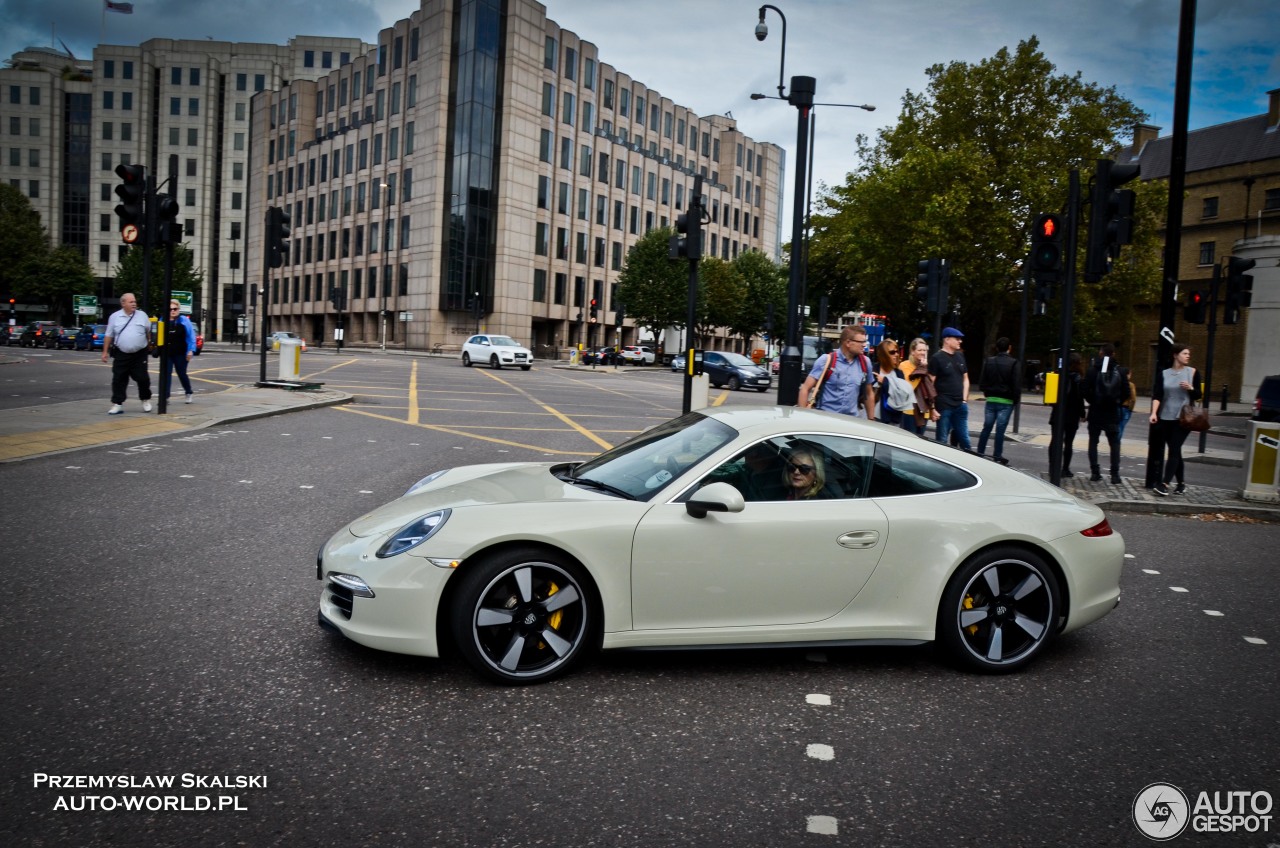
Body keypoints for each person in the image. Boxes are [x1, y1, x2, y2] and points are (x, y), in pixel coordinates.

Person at [1149, 343, 1202, 496]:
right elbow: (1158, 395)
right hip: (1166, 416)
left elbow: (1198, 395)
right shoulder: (1164, 374)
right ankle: (1181, 483)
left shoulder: (1192, 373)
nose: (1188, 356)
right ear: (1175, 355)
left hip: (1184, 417)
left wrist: (1190, 388)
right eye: (1185, 353)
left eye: (1188, 354)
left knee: (1173, 448)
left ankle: (1164, 484)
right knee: (1175, 451)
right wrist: (1154, 413)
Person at [797, 326, 876, 419]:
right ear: (848, 343)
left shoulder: (865, 363)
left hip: (852, 421)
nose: (864, 345)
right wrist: (802, 417)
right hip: (826, 418)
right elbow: (805, 388)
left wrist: (871, 420)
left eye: (865, 342)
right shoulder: (826, 360)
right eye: (861, 342)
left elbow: (869, 393)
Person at [100, 292, 153, 415]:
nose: (134, 304)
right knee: (118, 378)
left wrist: (151, 345)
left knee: (142, 378)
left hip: (140, 353)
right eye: (131, 302)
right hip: (121, 353)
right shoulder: (114, 317)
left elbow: (149, 332)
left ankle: (145, 399)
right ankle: (118, 404)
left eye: (134, 301)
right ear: (123, 303)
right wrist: (104, 352)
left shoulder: (142, 315)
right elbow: (109, 335)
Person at [1083, 343, 1126, 483]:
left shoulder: (1092, 371)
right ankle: (1115, 474)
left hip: (1096, 411)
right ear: (1113, 354)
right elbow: (1126, 392)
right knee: (1114, 443)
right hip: (1112, 413)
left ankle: (1095, 472)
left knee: (1093, 442)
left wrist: (1093, 400)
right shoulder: (1120, 371)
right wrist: (1116, 401)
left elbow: (1084, 390)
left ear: (1100, 353)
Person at [976, 337, 1020, 464]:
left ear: (996, 348)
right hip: (1006, 401)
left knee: (987, 427)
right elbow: (1016, 384)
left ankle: (980, 451)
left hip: (991, 399)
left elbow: (982, 381)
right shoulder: (1014, 363)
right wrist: (1015, 399)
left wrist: (987, 392)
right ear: (1009, 348)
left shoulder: (989, 361)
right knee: (1000, 431)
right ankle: (997, 455)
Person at [929, 327, 970, 450]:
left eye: (960, 339)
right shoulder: (937, 358)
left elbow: (966, 379)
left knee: (965, 440)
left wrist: (964, 400)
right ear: (947, 339)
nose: (960, 341)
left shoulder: (960, 356)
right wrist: (932, 408)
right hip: (944, 406)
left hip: (960, 405)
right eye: (957, 339)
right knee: (942, 441)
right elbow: (930, 384)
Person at [1048, 352, 1086, 477]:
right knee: (1068, 443)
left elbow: (1051, 398)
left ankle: (1052, 467)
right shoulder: (1078, 379)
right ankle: (1065, 469)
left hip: (1058, 413)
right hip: (1072, 415)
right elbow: (1080, 398)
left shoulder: (1057, 375)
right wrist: (1082, 413)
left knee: (1054, 441)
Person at [160, 299, 197, 404]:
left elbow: (191, 337)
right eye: (170, 309)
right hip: (167, 353)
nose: (172, 311)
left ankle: (188, 392)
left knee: (181, 373)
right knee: (166, 373)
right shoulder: (163, 320)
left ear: (178, 309)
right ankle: (165, 397)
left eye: (175, 309)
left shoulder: (184, 321)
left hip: (181, 352)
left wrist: (190, 350)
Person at [900, 337, 937, 437]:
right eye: (919, 350)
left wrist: (932, 409)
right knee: (909, 441)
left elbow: (929, 390)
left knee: (919, 442)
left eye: (924, 350)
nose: (923, 352)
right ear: (912, 351)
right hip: (909, 411)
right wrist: (922, 368)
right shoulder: (904, 365)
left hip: (923, 411)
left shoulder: (925, 367)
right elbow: (910, 387)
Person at [873, 340, 908, 426]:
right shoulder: (873, 371)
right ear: (883, 355)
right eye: (892, 352)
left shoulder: (899, 374)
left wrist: (885, 382)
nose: (896, 355)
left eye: (897, 351)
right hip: (873, 418)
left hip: (892, 421)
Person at [1117, 368, 1137, 440]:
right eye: (1130, 374)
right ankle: (1117, 443)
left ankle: (1115, 443)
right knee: (1121, 427)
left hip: (1118, 407)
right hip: (1126, 408)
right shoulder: (1131, 385)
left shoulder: (1117, 383)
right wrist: (1130, 409)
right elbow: (1133, 399)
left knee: (1118, 426)